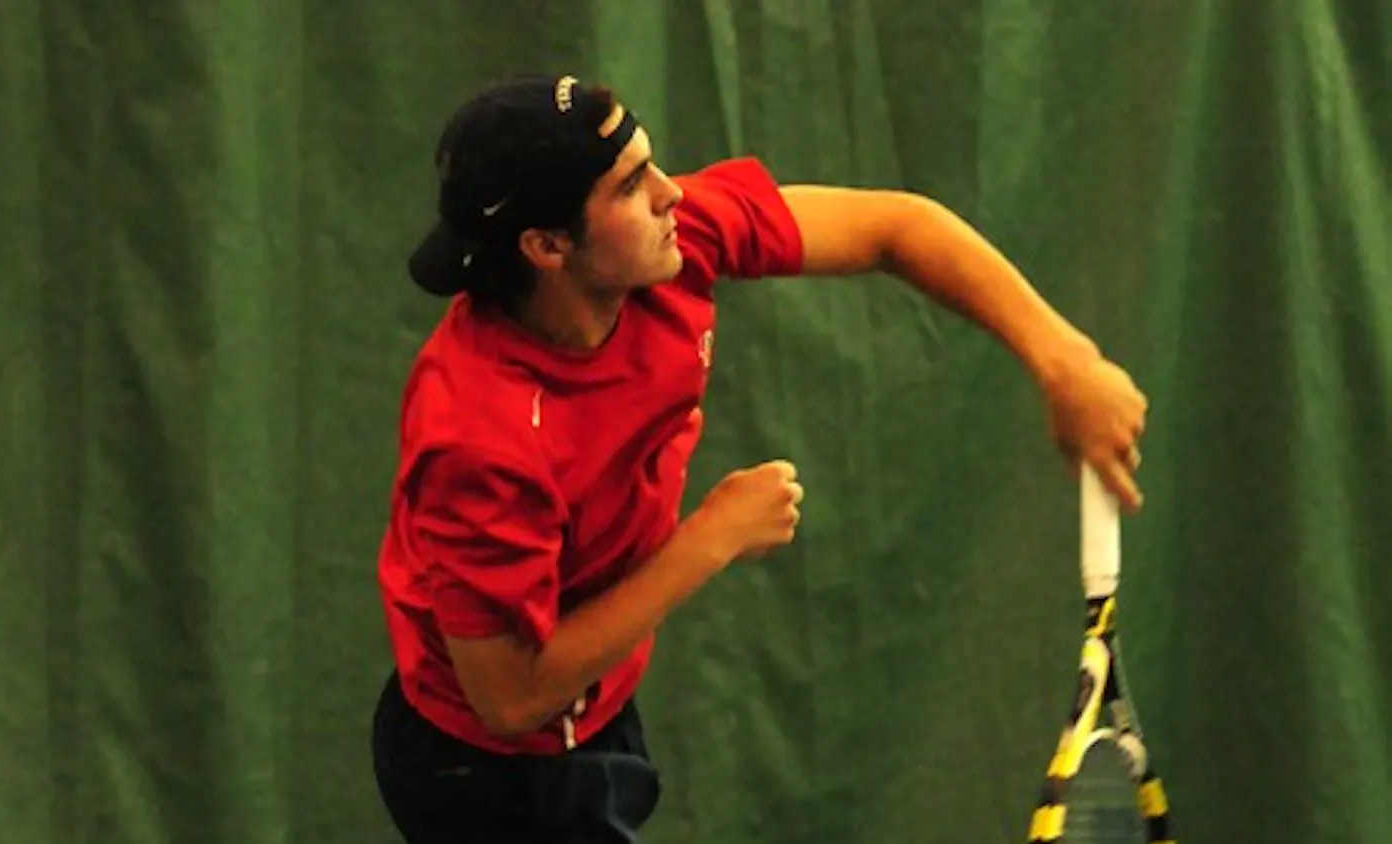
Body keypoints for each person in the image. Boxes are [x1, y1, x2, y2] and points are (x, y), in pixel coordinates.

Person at [370, 73, 1147, 842]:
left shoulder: (668, 249)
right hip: (486, 778)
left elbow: (896, 229)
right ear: (546, 245)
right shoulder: (479, 435)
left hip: (593, 716)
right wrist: (711, 539)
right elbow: (508, 700)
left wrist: (1064, 361)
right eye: (632, 186)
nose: (672, 194)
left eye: (653, 164)